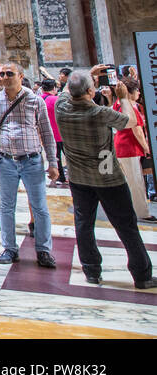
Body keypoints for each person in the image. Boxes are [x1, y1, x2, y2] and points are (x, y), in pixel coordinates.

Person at [57, 70, 155, 288]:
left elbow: (66, 89)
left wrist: (88, 74)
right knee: (126, 225)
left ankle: (91, 271)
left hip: (79, 176)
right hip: (106, 175)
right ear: (91, 91)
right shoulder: (99, 112)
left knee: (83, 223)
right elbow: (129, 122)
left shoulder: (61, 107)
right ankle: (142, 275)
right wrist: (122, 97)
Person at [0, 63, 57, 267]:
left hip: (31, 159)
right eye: (0, 74)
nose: (3, 77)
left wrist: (53, 162)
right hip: (4, 159)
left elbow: (46, 132)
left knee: (40, 207)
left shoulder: (34, 100)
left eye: (9, 74)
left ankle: (44, 250)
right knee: (6, 207)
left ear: (20, 76)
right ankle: (9, 248)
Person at [113, 81, 153, 221]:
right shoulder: (128, 106)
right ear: (129, 92)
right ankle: (142, 213)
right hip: (129, 147)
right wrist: (147, 148)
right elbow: (137, 130)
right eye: (137, 90)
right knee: (136, 182)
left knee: (131, 181)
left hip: (123, 146)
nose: (139, 93)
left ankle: (134, 211)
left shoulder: (119, 103)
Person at [43, 79, 66, 186]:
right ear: (54, 88)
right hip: (61, 132)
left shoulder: (39, 99)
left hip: (47, 134)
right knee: (69, 157)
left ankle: (60, 176)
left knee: (55, 158)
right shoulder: (56, 99)